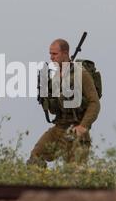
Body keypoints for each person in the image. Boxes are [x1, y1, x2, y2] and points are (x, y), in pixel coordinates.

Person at [27, 38, 101, 167]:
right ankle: (43, 185)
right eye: (50, 54)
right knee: (35, 159)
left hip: (76, 132)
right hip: (59, 129)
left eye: (55, 54)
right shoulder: (55, 77)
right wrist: (45, 96)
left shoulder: (81, 74)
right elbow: (53, 110)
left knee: (74, 175)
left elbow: (94, 103)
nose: (51, 57)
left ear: (65, 53)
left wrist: (83, 126)